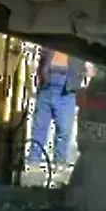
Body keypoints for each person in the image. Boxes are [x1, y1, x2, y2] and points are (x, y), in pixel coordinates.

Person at [27, 46, 93, 176]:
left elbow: (89, 65)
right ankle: (34, 160)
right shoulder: (52, 38)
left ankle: (60, 162)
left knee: (63, 130)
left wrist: (86, 68)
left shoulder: (78, 43)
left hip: (67, 88)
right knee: (39, 127)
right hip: (48, 84)